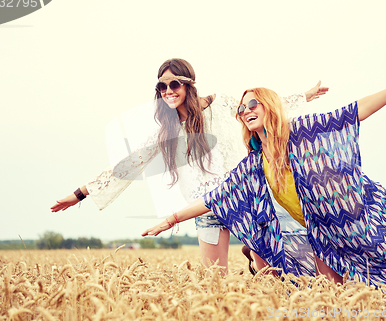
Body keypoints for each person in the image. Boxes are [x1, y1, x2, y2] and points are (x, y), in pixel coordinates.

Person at [142, 65, 386, 288]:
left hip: (355, 209)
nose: (245, 110)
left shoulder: (300, 132)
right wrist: (171, 220)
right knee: (333, 294)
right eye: (241, 108)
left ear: (269, 107)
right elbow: (215, 198)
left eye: (253, 104)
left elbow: (352, 113)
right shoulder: (255, 163)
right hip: (322, 232)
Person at [50, 58, 328, 275]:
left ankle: (256, 261)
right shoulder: (165, 133)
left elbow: (263, 108)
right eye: (162, 86)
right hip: (205, 206)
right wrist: (79, 194)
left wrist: (305, 95)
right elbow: (128, 165)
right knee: (213, 283)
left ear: (189, 84)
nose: (168, 91)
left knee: (271, 275)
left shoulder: (222, 105)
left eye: (174, 84)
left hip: (244, 198)